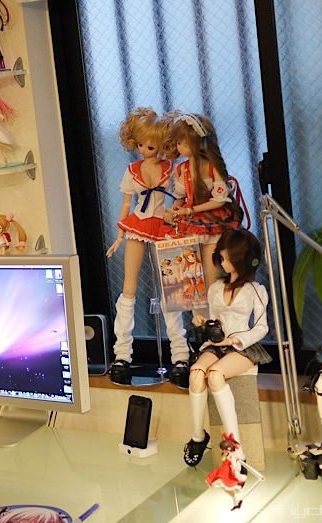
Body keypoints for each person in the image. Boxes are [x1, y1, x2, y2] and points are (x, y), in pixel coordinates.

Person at [107, 108, 189, 386]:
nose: (143, 150)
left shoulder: (171, 169)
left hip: (164, 228)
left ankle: (180, 354)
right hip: (137, 227)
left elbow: (180, 198)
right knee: (128, 289)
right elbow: (125, 204)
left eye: (150, 146)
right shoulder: (132, 171)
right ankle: (122, 354)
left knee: (172, 289)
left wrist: (177, 215)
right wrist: (120, 235)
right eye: (140, 144)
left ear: (163, 145)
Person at [184, 229, 270, 467]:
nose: (223, 263)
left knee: (215, 375)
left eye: (227, 258)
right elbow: (215, 320)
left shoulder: (256, 290)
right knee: (196, 374)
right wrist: (203, 323)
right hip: (216, 345)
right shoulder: (215, 288)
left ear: (242, 259)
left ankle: (236, 448)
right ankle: (197, 437)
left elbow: (262, 327)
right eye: (221, 258)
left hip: (242, 347)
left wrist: (235, 340)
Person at [164, 113, 245, 286]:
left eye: (185, 143)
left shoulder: (212, 167)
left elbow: (220, 200)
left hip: (212, 219)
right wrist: (174, 211)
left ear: (201, 143)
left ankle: (214, 298)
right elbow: (180, 198)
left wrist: (190, 209)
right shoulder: (182, 169)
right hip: (189, 221)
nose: (180, 147)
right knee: (190, 270)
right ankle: (197, 302)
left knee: (211, 269)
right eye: (179, 143)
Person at [205, 433, 247, 511]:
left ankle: (237, 501)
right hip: (223, 469)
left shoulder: (231, 455)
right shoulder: (226, 454)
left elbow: (232, 463)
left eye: (224, 449)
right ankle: (237, 501)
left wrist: (234, 470)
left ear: (229, 448)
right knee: (226, 488)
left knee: (227, 487)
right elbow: (223, 459)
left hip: (227, 471)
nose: (223, 450)